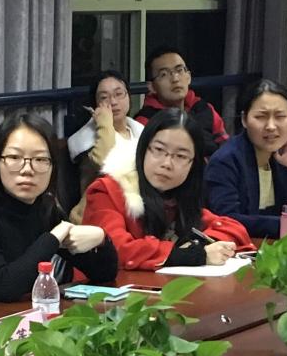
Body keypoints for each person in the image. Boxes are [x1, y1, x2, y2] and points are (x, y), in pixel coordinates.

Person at [0, 114, 116, 303]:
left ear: (53, 167)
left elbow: (104, 275)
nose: (27, 169)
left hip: (24, 316)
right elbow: (5, 287)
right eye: (14, 157)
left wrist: (102, 239)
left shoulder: (45, 209)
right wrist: (53, 238)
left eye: (40, 159)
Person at [82, 109, 252, 271]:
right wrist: (192, 255)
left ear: (193, 164)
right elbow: (116, 249)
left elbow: (234, 229)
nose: (166, 163)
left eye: (180, 156)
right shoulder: (108, 190)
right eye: (159, 150)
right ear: (143, 149)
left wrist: (205, 245)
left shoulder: (177, 195)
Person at [203, 79, 287, 238]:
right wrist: (286, 225)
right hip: (240, 248)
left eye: (280, 116)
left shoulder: (283, 157)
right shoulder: (225, 161)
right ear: (244, 119)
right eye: (261, 117)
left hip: (280, 247)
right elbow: (226, 219)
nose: (271, 126)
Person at [66, 69, 142, 206]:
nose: (113, 101)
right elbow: (105, 161)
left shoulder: (140, 131)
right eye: (104, 97)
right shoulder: (86, 142)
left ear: (129, 97)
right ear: (95, 105)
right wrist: (104, 122)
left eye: (119, 94)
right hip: (100, 208)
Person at [135, 47, 227, 149]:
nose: (175, 79)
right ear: (152, 87)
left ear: (189, 77)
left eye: (179, 70)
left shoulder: (204, 109)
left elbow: (225, 144)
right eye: (164, 74)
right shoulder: (144, 122)